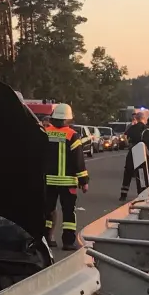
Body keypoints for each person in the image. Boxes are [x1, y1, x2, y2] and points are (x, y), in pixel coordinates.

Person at [43, 103, 89, 250]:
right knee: (69, 213)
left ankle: (45, 239)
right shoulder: (72, 135)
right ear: (67, 120)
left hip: (48, 181)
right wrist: (84, 181)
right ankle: (68, 242)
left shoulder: (45, 132)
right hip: (67, 182)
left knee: (47, 212)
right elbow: (78, 161)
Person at [118, 108, 149, 200]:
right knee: (141, 172)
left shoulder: (132, 127)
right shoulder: (146, 129)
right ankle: (141, 193)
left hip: (132, 150)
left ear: (136, 119)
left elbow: (124, 137)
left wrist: (128, 144)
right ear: (144, 119)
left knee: (128, 172)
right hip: (141, 152)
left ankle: (123, 194)